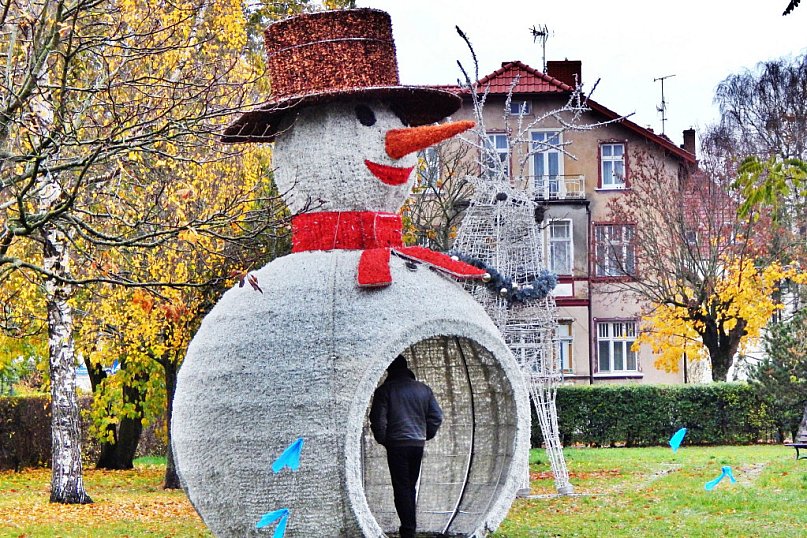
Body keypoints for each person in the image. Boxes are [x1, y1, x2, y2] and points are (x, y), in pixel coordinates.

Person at [369, 355, 443, 538]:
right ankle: (409, 528)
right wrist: (425, 435)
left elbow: (378, 419)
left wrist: (384, 440)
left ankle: (408, 531)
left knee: (402, 487)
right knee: (410, 486)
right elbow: (436, 416)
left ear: (389, 369)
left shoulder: (385, 390)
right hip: (417, 444)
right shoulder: (424, 390)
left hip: (396, 444)